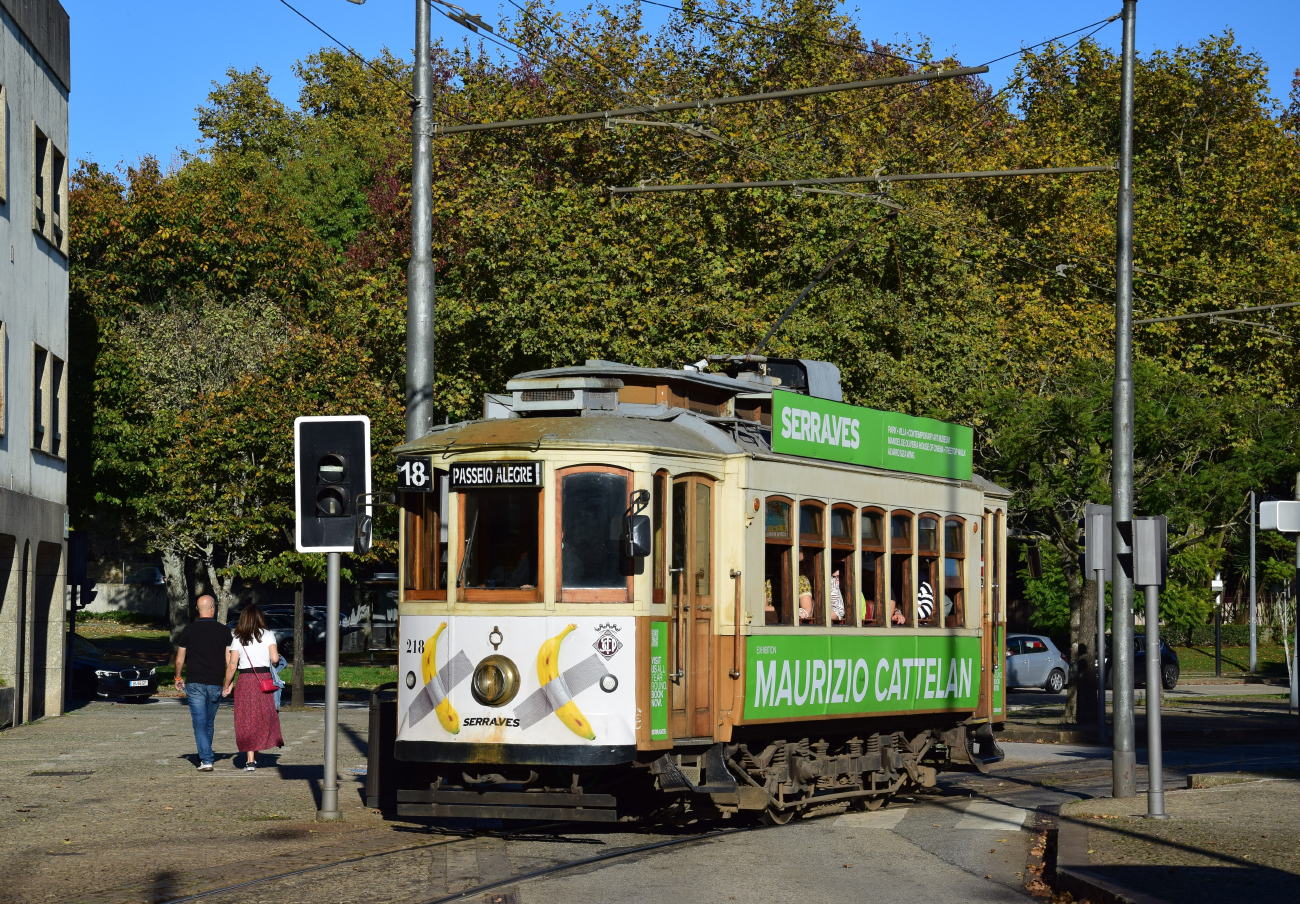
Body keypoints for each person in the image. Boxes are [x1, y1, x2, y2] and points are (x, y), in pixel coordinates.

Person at [221, 604, 284, 771]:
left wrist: (227, 685)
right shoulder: (268, 635)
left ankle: (250, 760)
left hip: (245, 680)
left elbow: (232, 665)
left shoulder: (238, 637)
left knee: (247, 718)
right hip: (264, 680)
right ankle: (252, 758)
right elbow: (275, 659)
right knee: (261, 717)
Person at [174, 595, 232, 772]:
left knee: (199, 722)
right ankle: (205, 756)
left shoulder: (188, 630)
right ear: (213, 609)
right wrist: (228, 683)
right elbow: (229, 661)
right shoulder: (224, 631)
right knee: (208, 723)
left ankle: (206, 759)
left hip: (194, 682)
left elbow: (179, 659)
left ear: (197, 610)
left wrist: (178, 677)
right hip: (215, 682)